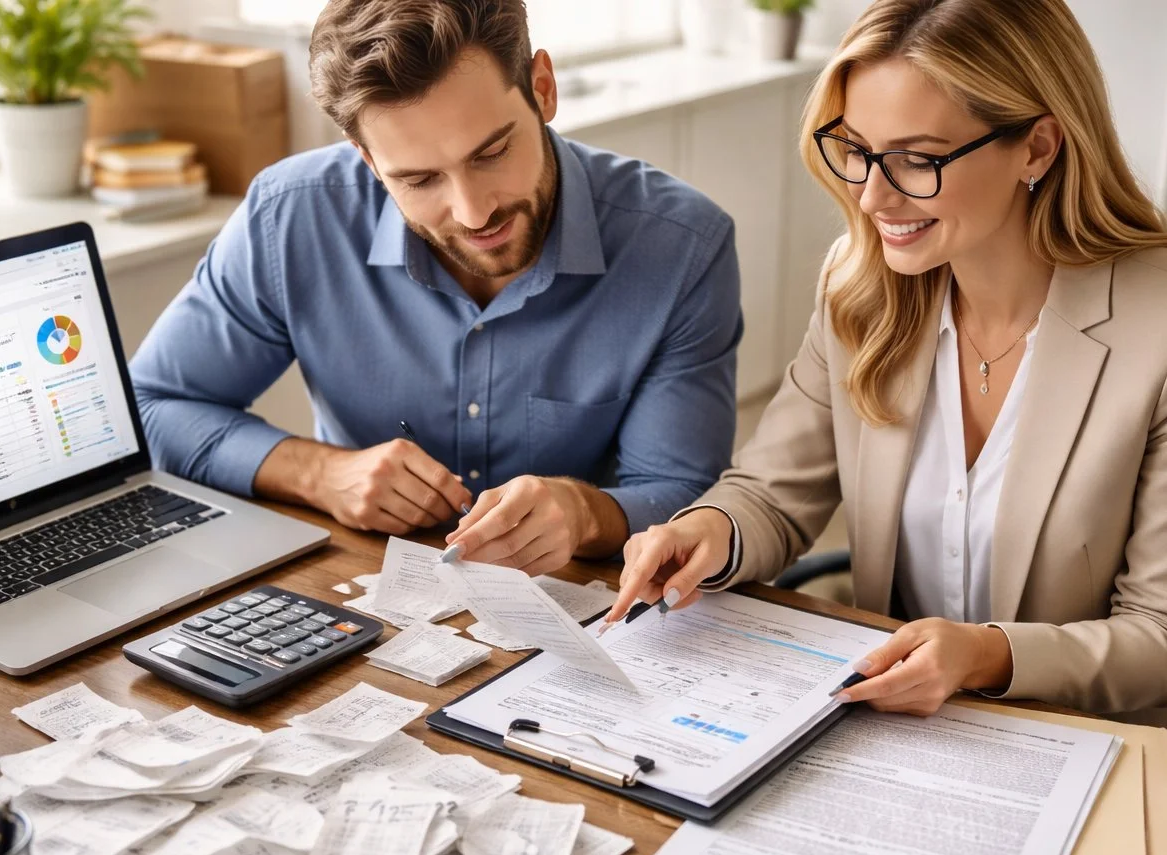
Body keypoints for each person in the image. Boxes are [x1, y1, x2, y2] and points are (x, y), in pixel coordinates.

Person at [605, 0, 1167, 766]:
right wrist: (710, 533)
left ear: (1037, 147)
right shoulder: (862, 284)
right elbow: (771, 492)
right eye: (855, 150)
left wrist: (985, 655)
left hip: (1151, 757)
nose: (872, 197)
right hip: (926, 743)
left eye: (916, 159)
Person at [128, 0, 741, 577]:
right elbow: (155, 406)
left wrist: (584, 515)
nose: (474, 213)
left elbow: (685, 495)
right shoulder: (290, 217)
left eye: (493, 152)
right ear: (368, 160)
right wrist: (318, 472)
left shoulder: (681, 245)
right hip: (356, 600)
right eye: (419, 179)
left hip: (582, 607)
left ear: (543, 89)